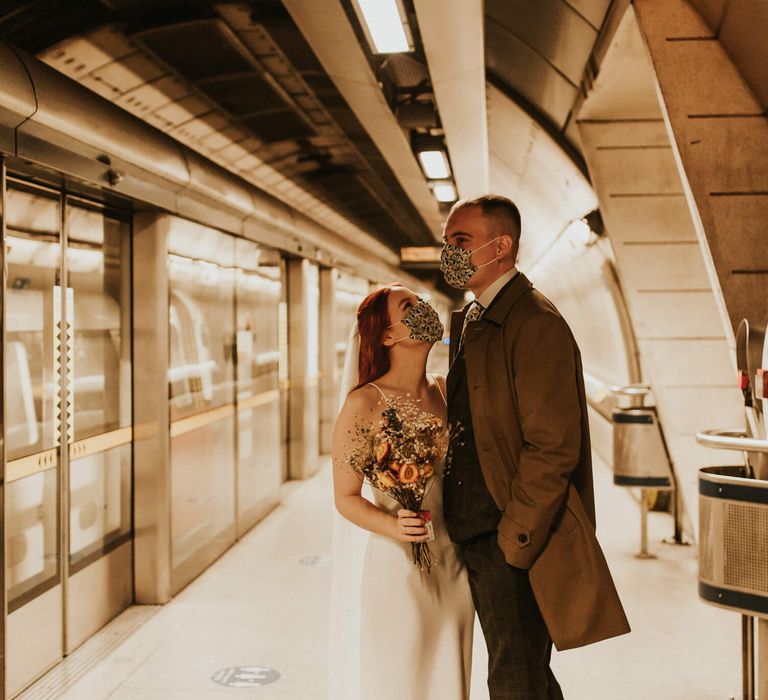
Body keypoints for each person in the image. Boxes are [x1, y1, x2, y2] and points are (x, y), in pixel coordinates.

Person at [441, 195, 630, 699]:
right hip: (483, 530)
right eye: (446, 242)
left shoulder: (534, 323)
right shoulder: (481, 317)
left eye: (460, 241)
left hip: (509, 533)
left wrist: (515, 540)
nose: (449, 253)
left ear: (500, 247)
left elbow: (552, 448)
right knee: (521, 673)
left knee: (515, 678)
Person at [331, 284, 474, 700]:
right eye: (409, 305)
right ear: (388, 336)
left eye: (422, 302)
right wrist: (394, 525)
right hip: (399, 567)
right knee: (402, 680)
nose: (424, 309)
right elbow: (346, 497)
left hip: (455, 563)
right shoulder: (364, 405)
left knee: (452, 681)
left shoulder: (448, 390)